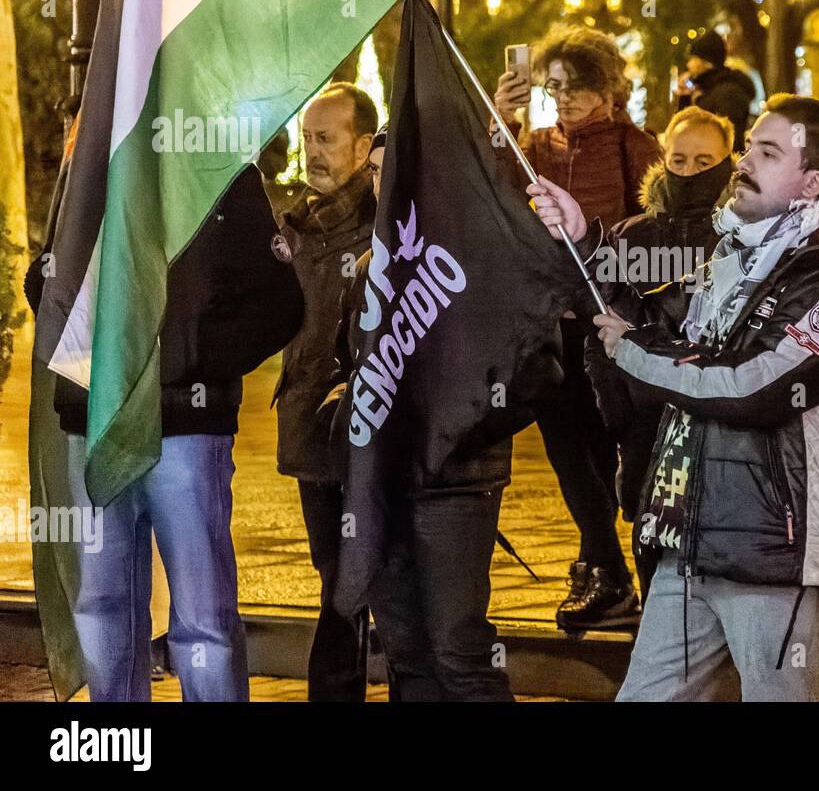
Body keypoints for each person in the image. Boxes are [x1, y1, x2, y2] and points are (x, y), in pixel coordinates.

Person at [531, 94, 819, 702]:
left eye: (767, 152)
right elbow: (646, 314)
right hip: (690, 539)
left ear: (812, 182)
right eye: (748, 147)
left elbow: (752, 385)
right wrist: (584, 239)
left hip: (773, 553)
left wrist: (634, 349)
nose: (744, 162)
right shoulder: (734, 258)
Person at [35, 166, 303, 701]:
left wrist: (186, 360)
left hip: (185, 432)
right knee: (101, 604)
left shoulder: (223, 169)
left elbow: (279, 305)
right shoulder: (90, 166)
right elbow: (45, 278)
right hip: (95, 423)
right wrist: (87, 353)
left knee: (202, 614)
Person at [315, 130, 547, 701]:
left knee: (459, 649)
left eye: (389, 170)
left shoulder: (483, 257)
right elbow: (352, 363)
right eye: (371, 172)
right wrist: (341, 408)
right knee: (407, 654)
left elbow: (540, 373)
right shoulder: (371, 266)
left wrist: (452, 434)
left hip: (455, 486)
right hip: (381, 483)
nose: (379, 182)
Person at [493, 26, 661, 630]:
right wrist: (501, 121)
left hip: (613, 324)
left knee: (618, 447)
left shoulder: (635, 147)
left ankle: (637, 572)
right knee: (567, 448)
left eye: (575, 86)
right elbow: (496, 194)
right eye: (553, 86)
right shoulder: (533, 144)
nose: (561, 98)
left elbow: (655, 227)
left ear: (606, 88)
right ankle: (607, 569)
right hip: (550, 322)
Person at [586, 106, 735, 600]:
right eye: (679, 160)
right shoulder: (632, 236)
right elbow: (600, 328)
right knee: (653, 553)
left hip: (720, 424)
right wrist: (622, 414)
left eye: (704, 161)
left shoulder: (744, 237)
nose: (689, 172)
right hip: (646, 429)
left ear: (728, 163)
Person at [274, 82, 378, 701]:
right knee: (334, 574)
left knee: (357, 578)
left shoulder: (390, 221)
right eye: (308, 138)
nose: (312, 151)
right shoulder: (293, 224)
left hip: (370, 428)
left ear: (364, 146)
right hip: (312, 428)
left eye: (327, 139)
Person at [675, 29, 756, 151]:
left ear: (707, 62)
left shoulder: (728, 94)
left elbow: (730, 143)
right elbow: (682, 134)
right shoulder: (708, 90)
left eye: (693, 58)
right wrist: (685, 97)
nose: (688, 64)